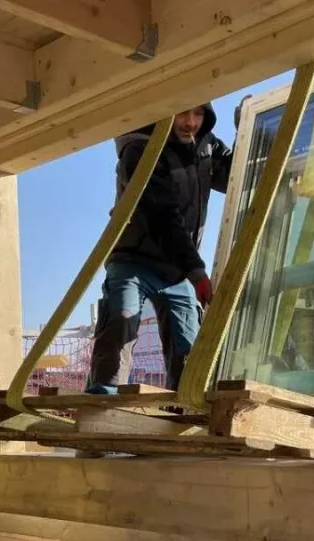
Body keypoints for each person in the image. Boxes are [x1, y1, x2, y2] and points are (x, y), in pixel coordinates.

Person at [86, 101, 240, 394]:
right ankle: (102, 398)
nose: (190, 122)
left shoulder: (204, 146)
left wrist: (246, 131)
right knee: (121, 320)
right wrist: (196, 271)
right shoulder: (140, 149)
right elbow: (161, 217)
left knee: (189, 349)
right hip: (135, 259)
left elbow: (236, 174)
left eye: (198, 113)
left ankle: (183, 405)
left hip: (176, 270)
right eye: (183, 112)